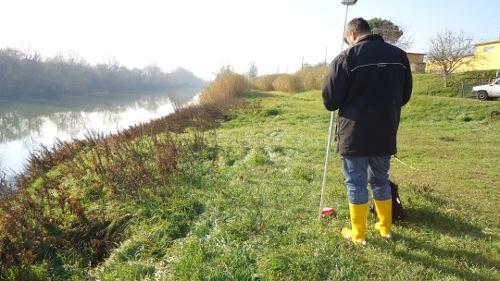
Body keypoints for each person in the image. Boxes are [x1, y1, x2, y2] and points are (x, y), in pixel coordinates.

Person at [322, 17, 412, 244]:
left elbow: (330, 101)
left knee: (356, 183)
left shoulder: (346, 58)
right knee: (381, 180)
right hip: (385, 131)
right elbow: (405, 96)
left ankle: (359, 234)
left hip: (355, 135)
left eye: (347, 39)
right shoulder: (399, 56)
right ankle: (385, 228)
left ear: (352, 34)